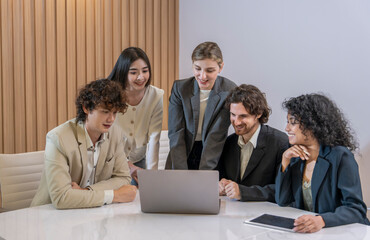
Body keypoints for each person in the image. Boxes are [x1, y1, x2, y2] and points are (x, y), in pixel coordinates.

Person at [31, 79, 137, 209]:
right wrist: (114, 195)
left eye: (115, 112)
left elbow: (123, 178)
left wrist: (86, 191)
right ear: (86, 108)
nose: (111, 119)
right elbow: (62, 198)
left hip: (89, 213)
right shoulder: (58, 138)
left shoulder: (115, 134)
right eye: (105, 112)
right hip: (49, 214)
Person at [275, 93, 370, 233]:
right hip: (311, 234)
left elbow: (356, 209)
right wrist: (285, 161)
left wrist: (322, 220)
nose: (287, 128)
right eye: (287, 122)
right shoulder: (295, 156)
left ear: (312, 124)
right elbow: (282, 200)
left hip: (344, 233)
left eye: (292, 122)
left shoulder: (340, 156)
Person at [165, 41, 237, 170]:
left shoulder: (229, 91)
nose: (202, 76)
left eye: (210, 70)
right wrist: (181, 173)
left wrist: (204, 176)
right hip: (180, 154)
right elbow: (176, 133)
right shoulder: (180, 89)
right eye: (197, 69)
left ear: (221, 67)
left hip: (212, 155)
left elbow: (216, 136)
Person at [218, 85, 289, 202]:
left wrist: (243, 192)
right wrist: (221, 184)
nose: (236, 122)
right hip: (233, 213)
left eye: (243, 116)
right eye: (233, 115)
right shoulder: (229, 143)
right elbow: (223, 176)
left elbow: (284, 189)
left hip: (265, 214)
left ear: (258, 114)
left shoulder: (280, 143)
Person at [108, 47, 164, 185]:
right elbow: (105, 140)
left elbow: (154, 138)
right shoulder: (110, 95)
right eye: (134, 72)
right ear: (123, 72)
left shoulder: (156, 96)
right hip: (110, 161)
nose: (141, 77)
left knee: (142, 198)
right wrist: (129, 167)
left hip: (139, 160)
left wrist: (152, 176)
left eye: (145, 71)